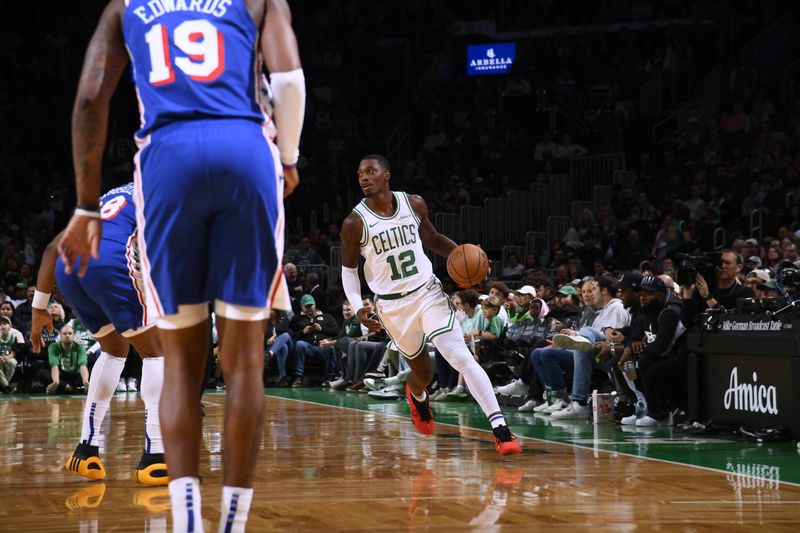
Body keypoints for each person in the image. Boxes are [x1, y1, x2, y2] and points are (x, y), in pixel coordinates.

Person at [57, 1, 305, 531]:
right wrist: (288, 159)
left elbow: (89, 98)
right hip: (245, 149)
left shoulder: (126, 5)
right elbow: (288, 81)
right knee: (244, 364)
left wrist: (83, 205)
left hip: (168, 159)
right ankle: (232, 523)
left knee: (179, 362)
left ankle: (188, 519)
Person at [340, 155, 521, 455]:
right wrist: (358, 305)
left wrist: (468, 258)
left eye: (371, 171)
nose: (364, 177)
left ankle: (501, 429)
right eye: (360, 173)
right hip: (393, 307)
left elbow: (433, 239)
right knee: (423, 373)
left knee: (460, 357)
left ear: (387, 174)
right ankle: (417, 395)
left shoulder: (414, 204)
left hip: (427, 293)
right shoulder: (354, 223)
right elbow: (348, 271)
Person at [32, 183, 167, 486]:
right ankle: (156, 458)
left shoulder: (112, 194)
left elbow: (54, 246)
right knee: (157, 353)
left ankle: (86, 449)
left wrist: (38, 307)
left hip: (69, 266)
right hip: (110, 261)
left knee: (114, 349)